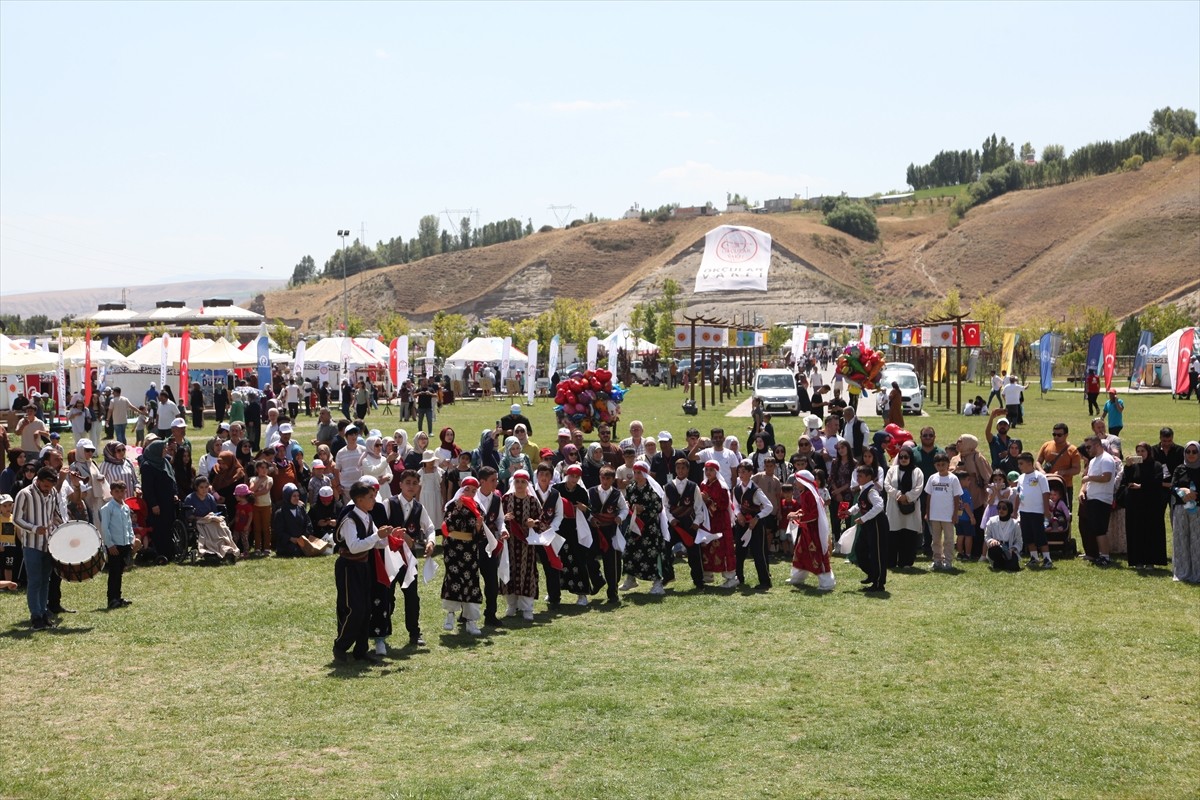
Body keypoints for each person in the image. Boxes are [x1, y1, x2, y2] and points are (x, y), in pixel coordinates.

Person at [332, 480, 393, 662]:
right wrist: (377, 536)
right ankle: (341, 646)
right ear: (359, 500)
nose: (374, 500)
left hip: (363, 565)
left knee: (366, 608)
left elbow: (377, 542)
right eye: (370, 497)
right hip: (349, 567)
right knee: (354, 608)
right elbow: (355, 546)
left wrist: (391, 535)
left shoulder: (368, 517)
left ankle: (361, 650)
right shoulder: (350, 520)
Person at [377, 469, 435, 647]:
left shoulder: (419, 507)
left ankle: (414, 632)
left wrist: (431, 542)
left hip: (409, 558)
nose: (411, 486)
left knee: (412, 596)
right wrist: (398, 536)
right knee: (387, 595)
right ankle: (382, 633)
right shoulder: (389, 503)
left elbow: (430, 527)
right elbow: (380, 528)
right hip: (390, 555)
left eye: (414, 483)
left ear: (419, 487)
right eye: (407, 482)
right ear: (400, 484)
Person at [13, 467, 69, 628]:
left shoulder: (52, 493)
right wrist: (34, 528)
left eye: (50, 486)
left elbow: (54, 515)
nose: (47, 489)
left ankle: (44, 613)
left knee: (46, 580)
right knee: (35, 581)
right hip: (31, 544)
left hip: (48, 543)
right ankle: (35, 616)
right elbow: (16, 518)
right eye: (45, 486)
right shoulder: (25, 494)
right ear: (38, 480)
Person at [500, 469, 543, 619]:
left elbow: (542, 522)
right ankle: (512, 605)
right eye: (517, 481)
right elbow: (498, 520)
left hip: (527, 545)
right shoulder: (505, 500)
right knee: (509, 571)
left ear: (527, 484)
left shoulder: (532, 501)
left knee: (527, 573)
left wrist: (534, 523)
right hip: (509, 544)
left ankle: (527, 608)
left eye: (523, 482)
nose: (519, 485)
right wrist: (504, 518)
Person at [1123, 442, 1170, 569]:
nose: (1140, 454)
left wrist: (1142, 486)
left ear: (1148, 452)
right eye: (1138, 451)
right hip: (1135, 504)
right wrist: (1127, 467)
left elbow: (1157, 482)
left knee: (1151, 532)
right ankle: (1137, 560)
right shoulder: (1133, 466)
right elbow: (1125, 481)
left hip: (1151, 504)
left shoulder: (1156, 465)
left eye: (1143, 451)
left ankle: (1151, 560)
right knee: (1136, 532)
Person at [786, 470, 835, 590]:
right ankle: (797, 576)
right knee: (800, 551)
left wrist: (797, 517)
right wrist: (797, 512)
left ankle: (826, 582)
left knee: (816, 553)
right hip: (806, 529)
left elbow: (813, 514)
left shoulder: (810, 495)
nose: (795, 483)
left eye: (797, 481)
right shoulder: (805, 493)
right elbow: (806, 510)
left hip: (814, 531)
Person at [665, 455, 708, 590]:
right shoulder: (668, 486)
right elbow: (665, 507)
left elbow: (699, 507)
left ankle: (698, 580)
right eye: (678, 468)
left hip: (689, 524)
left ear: (688, 470)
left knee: (694, 552)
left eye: (683, 468)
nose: (680, 471)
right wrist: (671, 519)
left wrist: (696, 522)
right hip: (673, 525)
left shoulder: (693, 486)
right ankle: (667, 575)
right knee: (665, 549)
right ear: (675, 470)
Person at [732, 459, 773, 590]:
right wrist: (738, 515)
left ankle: (765, 581)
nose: (740, 474)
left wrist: (757, 518)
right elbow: (735, 505)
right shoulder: (737, 488)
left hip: (756, 524)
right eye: (739, 471)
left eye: (743, 472)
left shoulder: (756, 490)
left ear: (750, 473)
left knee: (758, 552)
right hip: (742, 523)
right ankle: (739, 577)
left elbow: (769, 506)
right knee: (739, 551)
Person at [1079, 435, 1118, 567]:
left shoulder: (1106, 459)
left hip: (1101, 499)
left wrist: (1089, 478)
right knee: (1095, 529)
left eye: (1089, 447)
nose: (1087, 450)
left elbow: (1106, 477)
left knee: (1100, 529)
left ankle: (1105, 557)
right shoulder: (1093, 460)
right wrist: (1083, 490)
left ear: (1097, 445)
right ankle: (1100, 554)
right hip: (1092, 498)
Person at [885, 446, 925, 568]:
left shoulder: (917, 472)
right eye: (901, 457)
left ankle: (906, 562)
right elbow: (887, 485)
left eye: (906, 457)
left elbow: (919, 488)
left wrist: (907, 497)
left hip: (911, 507)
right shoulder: (892, 470)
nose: (903, 459)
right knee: (893, 534)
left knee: (908, 535)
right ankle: (891, 561)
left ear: (910, 457)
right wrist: (898, 495)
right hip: (894, 506)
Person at [139, 440, 178, 564]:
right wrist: (153, 504)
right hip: (157, 504)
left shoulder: (164, 462)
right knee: (159, 528)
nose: (166, 450)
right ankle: (161, 553)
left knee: (168, 527)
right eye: (164, 449)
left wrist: (175, 493)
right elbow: (148, 488)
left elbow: (172, 479)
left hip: (168, 501)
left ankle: (171, 552)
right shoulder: (147, 466)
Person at [185, 476, 241, 562]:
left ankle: (226, 548)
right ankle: (211, 549)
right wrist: (202, 518)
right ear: (196, 487)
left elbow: (214, 512)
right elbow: (189, 515)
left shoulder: (210, 498)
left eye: (206, 487)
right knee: (211, 529)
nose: (204, 489)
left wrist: (212, 517)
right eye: (201, 487)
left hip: (211, 519)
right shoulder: (190, 498)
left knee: (223, 527)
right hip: (199, 521)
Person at [852, 464, 889, 592]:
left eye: (861, 476)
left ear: (869, 477)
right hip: (868, 524)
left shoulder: (872, 490)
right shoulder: (864, 489)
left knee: (877, 553)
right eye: (858, 475)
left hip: (877, 524)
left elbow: (879, 506)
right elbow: (860, 504)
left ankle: (878, 583)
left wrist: (864, 518)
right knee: (860, 549)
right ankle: (872, 574)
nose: (858, 478)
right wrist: (850, 512)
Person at [923, 453, 962, 572]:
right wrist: (927, 513)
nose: (941, 467)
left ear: (948, 464)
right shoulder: (932, 478)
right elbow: (929, 496)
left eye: (943, 464)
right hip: (935, 515)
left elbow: (956, 498)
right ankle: (937, 560)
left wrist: (955, 514)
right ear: (935, 465)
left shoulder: (953, 478)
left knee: (949, 539)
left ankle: (948, 561)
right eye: (938, 465)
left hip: (948, 515)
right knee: (936, 539)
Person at [1015, 452, 1054, 568]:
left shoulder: (1039, 476)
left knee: (1039, 535)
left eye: (1021, 464)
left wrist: (1046, 510)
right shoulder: (1021, 477)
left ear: (1029, 463)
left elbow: (1045, 493)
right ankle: (1034, 557)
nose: (1019, 466)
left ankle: (1047, 558)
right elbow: (1018, 494)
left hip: (1037, 511)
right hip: (1024, 511)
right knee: (1028, 535)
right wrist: (1015, 510)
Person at [1169, 441, 1200, 583]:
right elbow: (1173, 487)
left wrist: (1196, 495)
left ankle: (1197, 572)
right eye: (1188, 451)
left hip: (1198, 509)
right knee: (1181, 539)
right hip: (1181, 508)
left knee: (1197, 541)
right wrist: (1184, 493)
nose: (1191, 454)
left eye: (1194, 451)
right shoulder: (1180, 468)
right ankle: (1182, 571)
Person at [1037, 423, 1081, 519]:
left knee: (1064, 513)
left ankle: (1065, 532)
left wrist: (1063, 472)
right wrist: (1041, 471)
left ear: (1066, 435)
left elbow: (1077, 469)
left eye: (1059, 435)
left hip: (1064, 487)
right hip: (1046, 483)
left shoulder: (1072, 450)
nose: (1056, 437)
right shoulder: (1046, 445)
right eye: (1054, 434)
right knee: (1044, 511)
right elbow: (1037, 462)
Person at [983, 500, 1022, 571]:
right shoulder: (992, 521)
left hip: (1009, 551)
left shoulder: (1015, 524)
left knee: (1013, 567)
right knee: (995, 550)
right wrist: (992, 540)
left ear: (1009, 510)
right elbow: (987, 536)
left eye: (1004, 508)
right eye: (999, 508)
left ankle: (1005, 564)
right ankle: (998, 563)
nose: (1001, 510)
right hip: (996, 549)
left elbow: (1019, 542)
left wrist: (1013, 549)